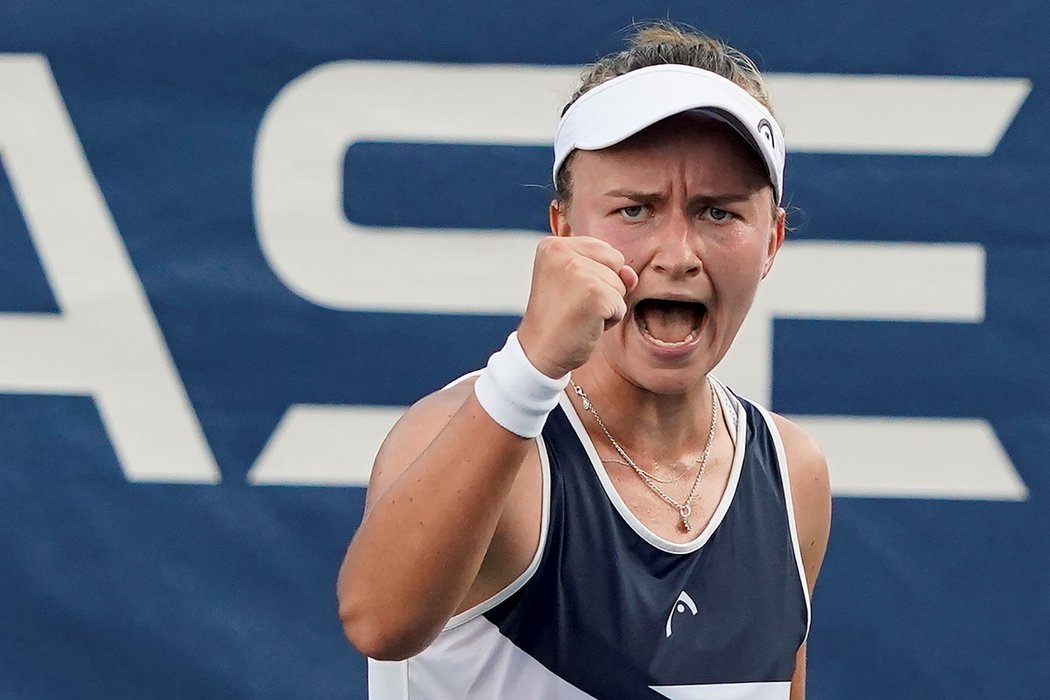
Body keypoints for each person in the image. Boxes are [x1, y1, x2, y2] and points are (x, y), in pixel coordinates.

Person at [338, 22, 832, 700]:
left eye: (719, 214)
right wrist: (531, 367)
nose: (679, 253)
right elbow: (377, 623)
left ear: (771, 240)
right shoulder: (470, 437)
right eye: (637, 209)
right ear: (564, 229)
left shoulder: (790, 475)